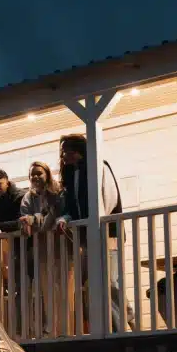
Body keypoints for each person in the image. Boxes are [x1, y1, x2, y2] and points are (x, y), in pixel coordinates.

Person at [54, 134, 135, 333]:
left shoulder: (100, 166)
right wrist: (65, 218)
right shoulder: (73, 174)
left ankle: (126, 324)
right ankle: (120, 324)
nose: (63, 156)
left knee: (110, 282)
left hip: (108, 234)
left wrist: (97, 225)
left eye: (66, 151)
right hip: (88, 238)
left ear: (77, 151)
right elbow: (73, 208)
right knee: (95, 282)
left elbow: (109, 200)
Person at [18, 161, 69, 337]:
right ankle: (51, 329)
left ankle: (64, 328)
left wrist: (36, 219)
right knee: (46, 290)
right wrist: (33, 221)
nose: (35, 177)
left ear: (47, 174)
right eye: (32, 174)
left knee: (64, 288)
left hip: (61, 247)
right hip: (41, 248)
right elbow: (25, 220)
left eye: (39, 173)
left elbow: (57, 215)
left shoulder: (57, 192)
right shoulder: (27, 197)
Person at [0, 168, 27, 321]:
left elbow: (21, 221)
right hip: (9, 250)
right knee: (12, 288)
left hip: (27, 246)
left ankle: (25, 324)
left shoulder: (20, 196)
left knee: (24, 287)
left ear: (7, 181)